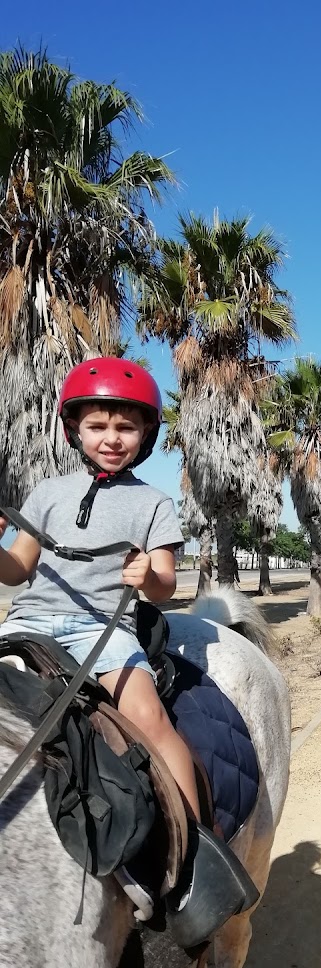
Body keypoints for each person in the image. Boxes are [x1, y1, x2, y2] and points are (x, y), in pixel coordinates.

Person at [0, 356, 248, 927]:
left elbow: (164, 584)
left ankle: (192, 861)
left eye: (125, 427)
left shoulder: (154, 503)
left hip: (102, 628)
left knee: (149, 717)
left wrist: (149, 578)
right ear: (75, 429)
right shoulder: (45, 493)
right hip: (30, 623)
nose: (111, 438)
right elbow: (16, 570)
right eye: (98, 426)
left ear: (146, 434)